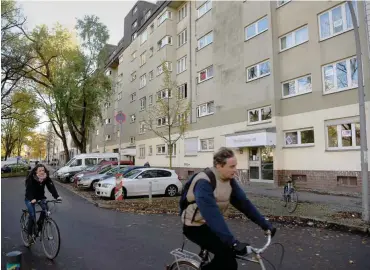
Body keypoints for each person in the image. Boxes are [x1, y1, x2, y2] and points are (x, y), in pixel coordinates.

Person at [181, 147, 276, 270]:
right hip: (194, 226)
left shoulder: (229, 180)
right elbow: (212, 215)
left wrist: (265, 224)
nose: (235, 170)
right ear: (219, 166)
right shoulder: (204, 182)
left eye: (235, 166)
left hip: (210, 225)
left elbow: (244, 204)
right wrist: (233, 242)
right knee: (228, 261)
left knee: (227, 257)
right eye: (232, 167)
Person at [25, 163, 62, 242]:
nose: (42, 172)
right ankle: (29, 235)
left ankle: (38, 226)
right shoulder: (31, 178)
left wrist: (57, 196)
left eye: (43, 170)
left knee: (45, 211)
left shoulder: (45, 178)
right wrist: (32, 199)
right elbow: (28, 191)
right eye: (40, 170)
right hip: (30, 198)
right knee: (32, 215)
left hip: (41, 198)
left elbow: (51, 187)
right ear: (36, 172)